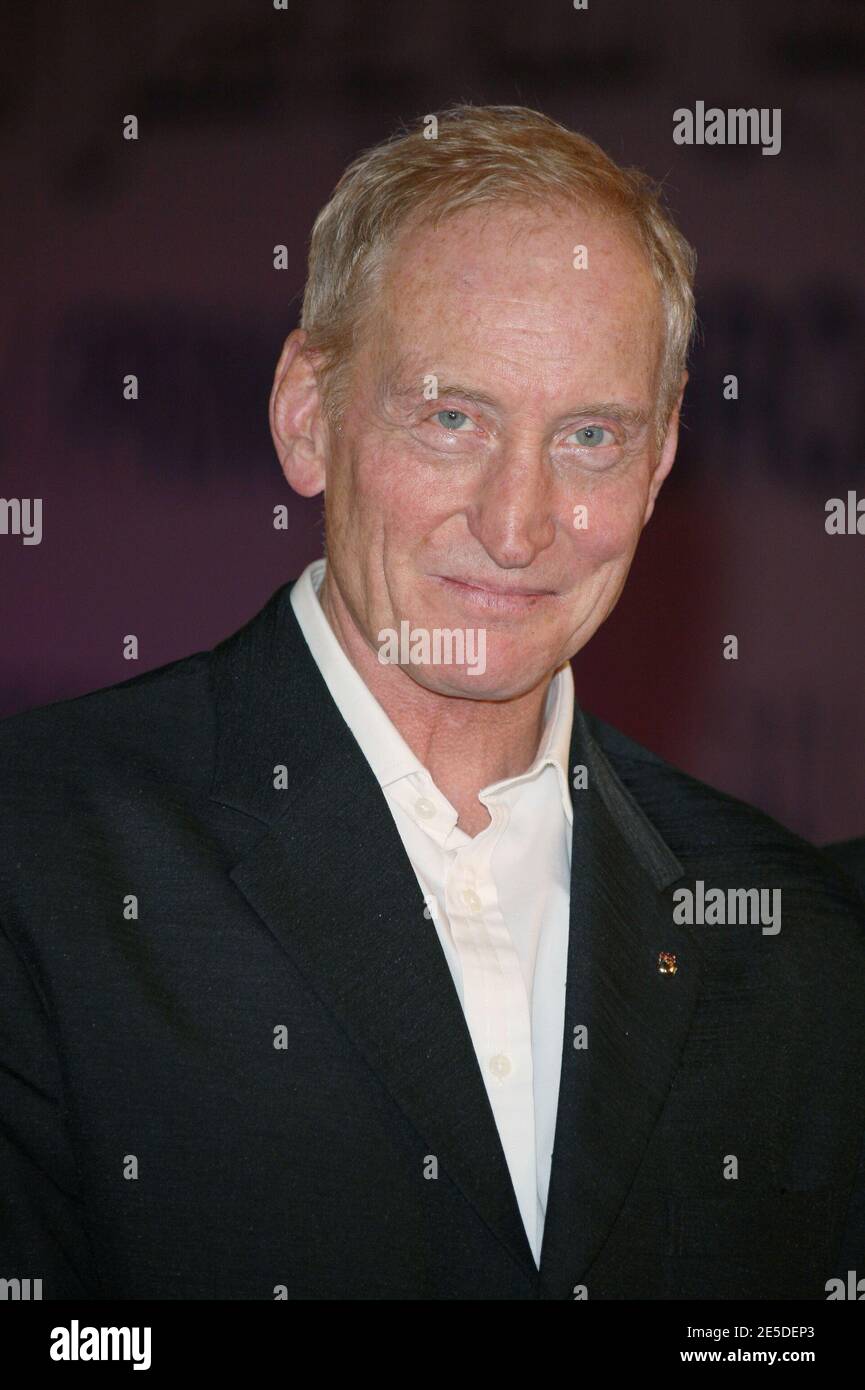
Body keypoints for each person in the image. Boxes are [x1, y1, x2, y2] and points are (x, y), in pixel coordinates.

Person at [1, 105, 863, 1301]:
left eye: (591, 436)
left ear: (660, 460)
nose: (516, 524)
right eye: (454, 418)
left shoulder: (794, 941)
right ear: (308, 412)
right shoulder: (38, 861)